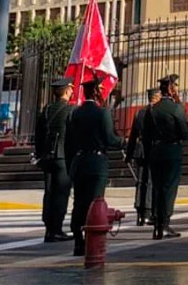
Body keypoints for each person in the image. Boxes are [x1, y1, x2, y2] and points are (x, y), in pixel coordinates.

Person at [65, 76, 124, 256]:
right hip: (97, 163)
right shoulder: (102, 113)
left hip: (79, 162)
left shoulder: (74, 113)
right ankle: (91, 239)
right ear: (97, 92)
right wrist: (123, 142)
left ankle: (78, 240)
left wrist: (71, 166)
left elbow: (68, 143)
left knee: (79, 203)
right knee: (95, 203)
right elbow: (109, 138)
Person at [148, 74, 188, 238]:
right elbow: (185, 133)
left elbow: (146, 134)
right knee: (169, 189)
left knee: (157, 188)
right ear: (171, 88)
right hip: (172, 151)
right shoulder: (176, 108)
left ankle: (156, 225)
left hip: (155, 151)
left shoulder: (152, 109)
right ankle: (164, 224)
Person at [35, 77, 76, 243]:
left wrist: (39, 154)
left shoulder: (46, 110)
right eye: (71, 89)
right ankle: (56, 229)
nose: (72, 92)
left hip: (47, 156)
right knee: (61, 194)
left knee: (49, 192)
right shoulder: (70, 110)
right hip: (62, 156)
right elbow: (73, 135)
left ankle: (49, 229)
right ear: (66, 91)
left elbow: (38, 135)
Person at [125, 88, 161, 227]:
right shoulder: (156, 113)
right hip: (152, 149)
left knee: (141, 181)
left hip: (140, 151)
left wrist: (129, 154)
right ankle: (148, 211)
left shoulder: (139, 113)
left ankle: (140, 213)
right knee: (151, 181)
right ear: (156, 98)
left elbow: (133, 135)